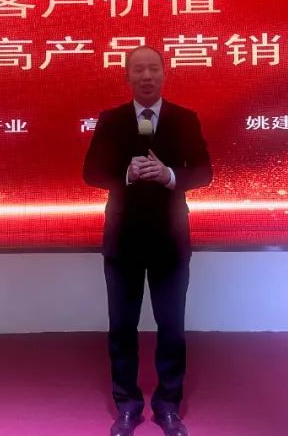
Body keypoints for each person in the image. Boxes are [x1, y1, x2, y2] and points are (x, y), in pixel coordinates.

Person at [83, 45, 212, 436]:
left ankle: (168, 407)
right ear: (126, 76)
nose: (146, 76)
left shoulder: (185, 119)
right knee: (122, 327)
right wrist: (126, 174)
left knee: (171, 327)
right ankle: (128, 406)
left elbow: (204, 172)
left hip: (170, 241)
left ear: (164, 73)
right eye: (138, 69)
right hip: (123, 240)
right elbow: (91, 172)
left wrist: (169, 175)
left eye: (153, 68)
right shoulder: (111, 120)